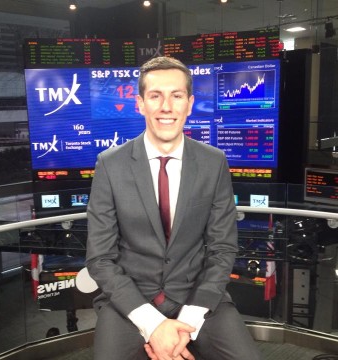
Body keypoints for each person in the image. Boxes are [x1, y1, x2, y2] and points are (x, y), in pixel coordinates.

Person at [85, 56, 261, 360]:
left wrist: (187, 322)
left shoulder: (213, 162)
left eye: (176, 96)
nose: (166, 106)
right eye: (155, 96)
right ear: (140, 103)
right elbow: (100, 259)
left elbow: (222, 248)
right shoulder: (110, 165)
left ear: (189, 104)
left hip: (199, 295)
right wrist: (153, 324)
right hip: (130, 301)